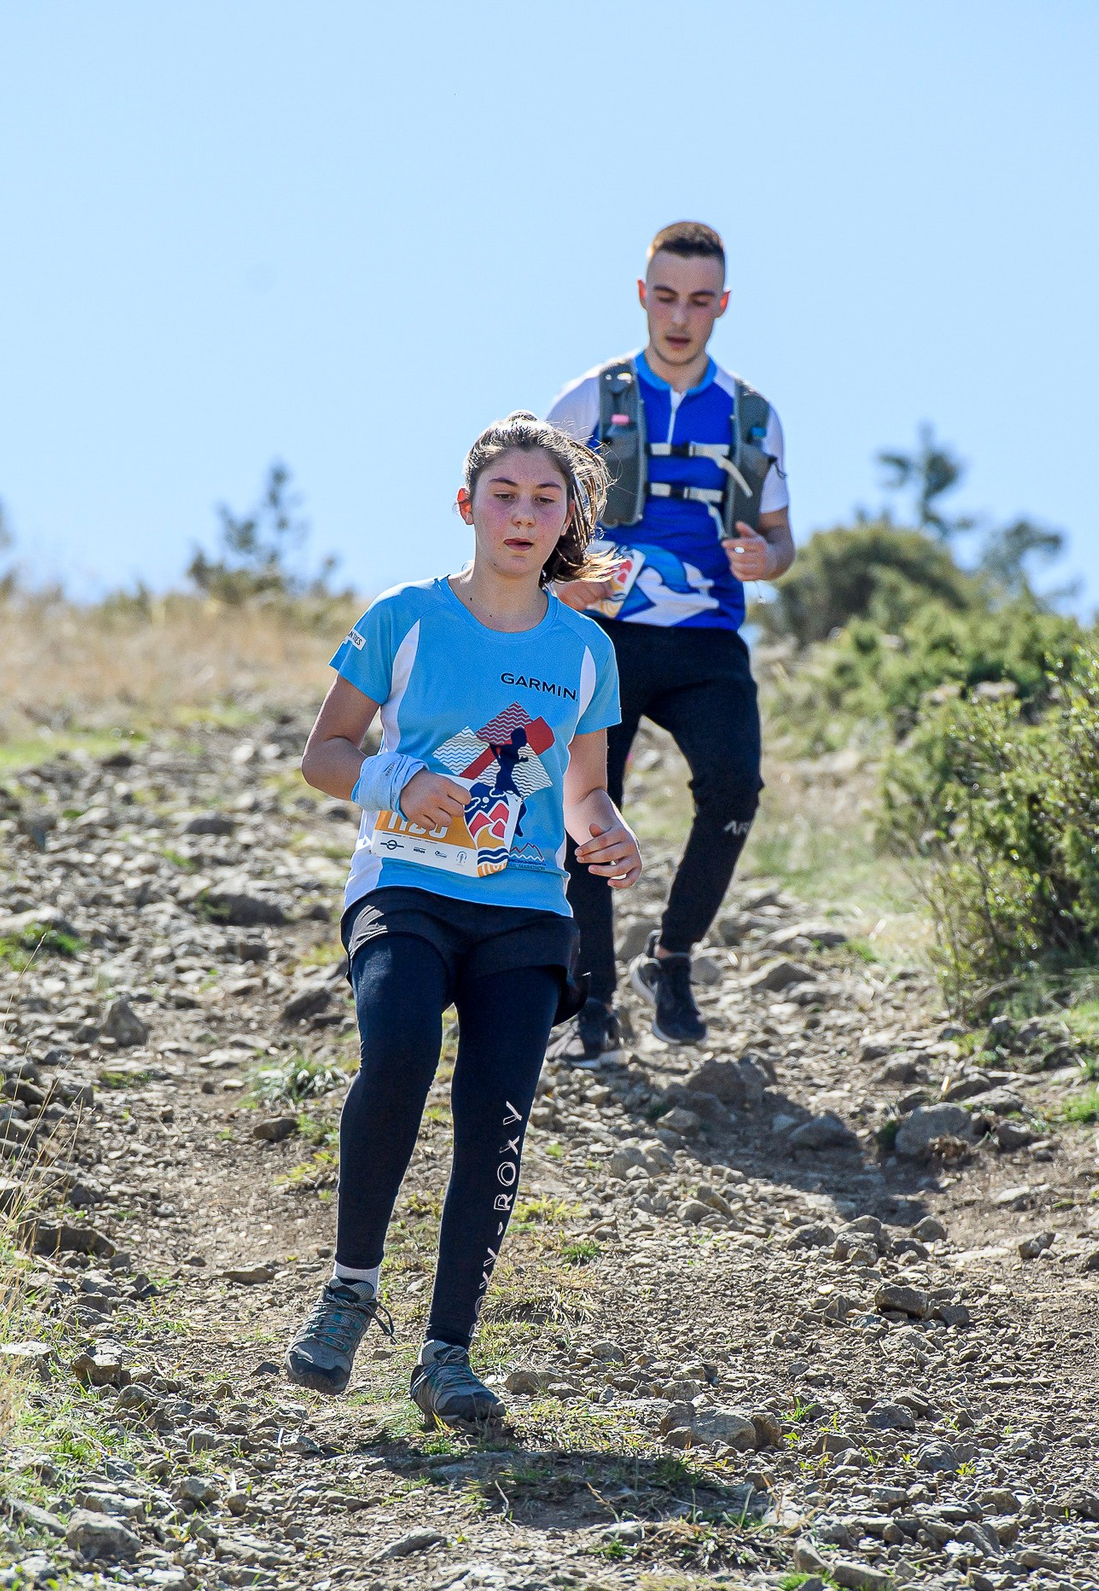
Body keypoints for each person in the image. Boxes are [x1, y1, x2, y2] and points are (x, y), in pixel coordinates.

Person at [285, 413, 641, 1426]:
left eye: (544, 500)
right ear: (466, 507)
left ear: (567, 515)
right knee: (395, 1056)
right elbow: (327, 755)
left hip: (525, 911)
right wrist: (398, 780)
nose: (523, 517)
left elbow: (582, 793)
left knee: (496, 1119)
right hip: (403, 885)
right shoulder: (405, 617)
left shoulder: (583, 652)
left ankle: (445, 1355)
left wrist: (606, 837)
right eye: (504, 497)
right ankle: (350, 1289)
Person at [543, 220, 794, 1064]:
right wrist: (558, 580)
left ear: (722, 305)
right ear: (641, 295)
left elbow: (782, 541)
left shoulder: (755, 415)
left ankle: (671, 959)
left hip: (707, 640)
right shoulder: (588, 400)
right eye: (665, 297)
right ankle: (594, 1005)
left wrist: (770, 557)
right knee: (589, 812)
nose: (679, 317)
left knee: (734, 790)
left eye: (698, 301)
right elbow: (526, 506)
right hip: (602, 638)